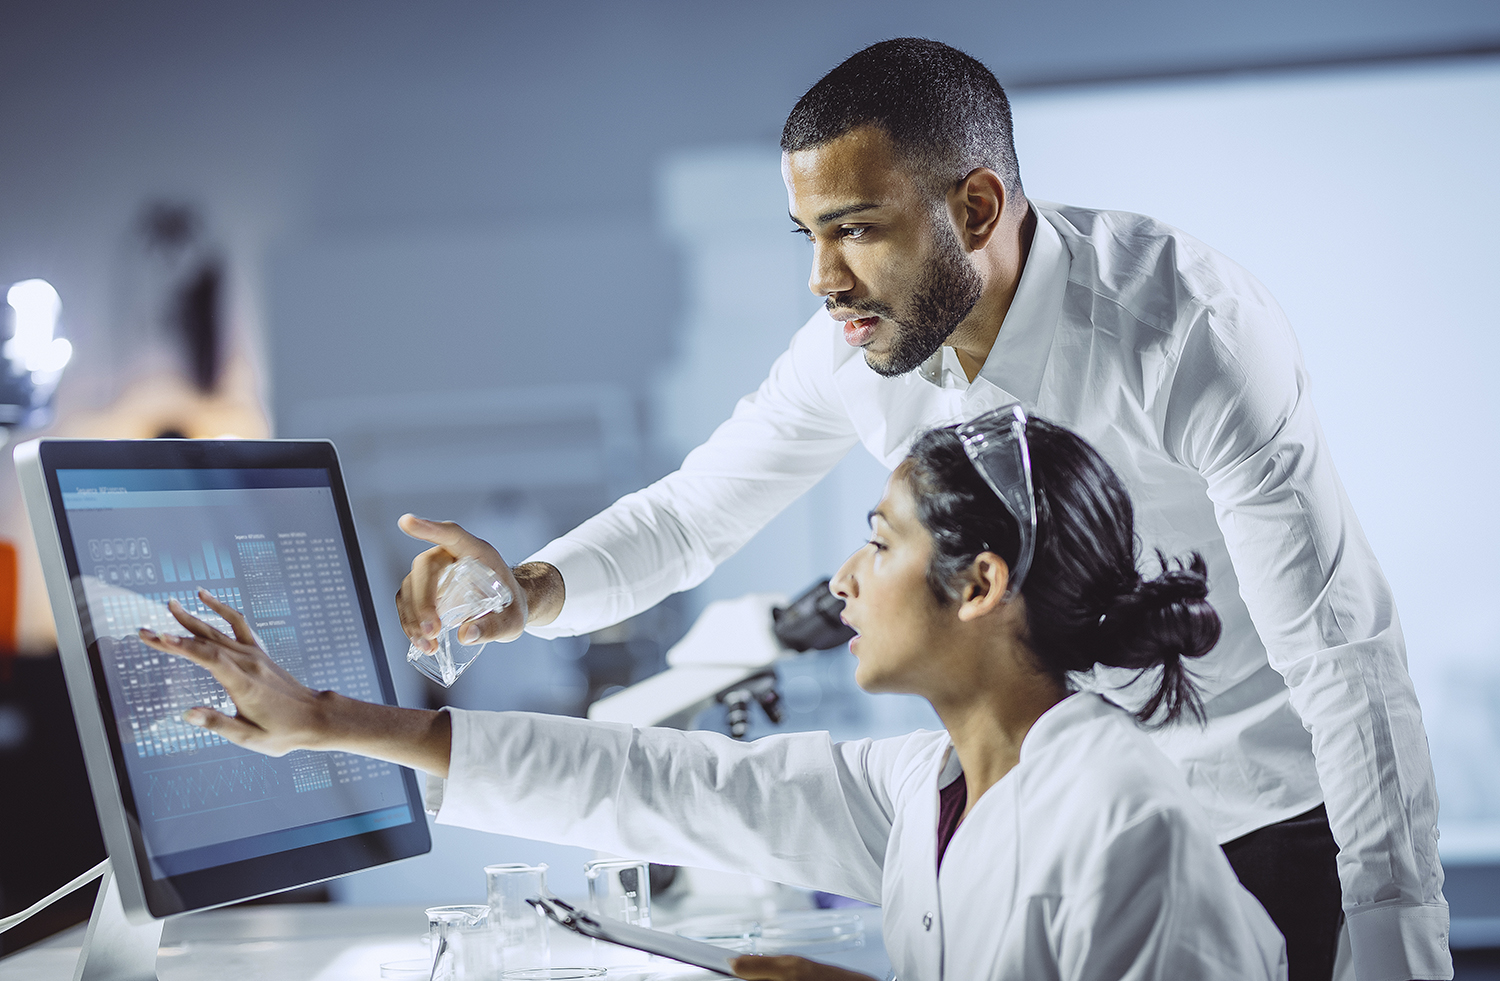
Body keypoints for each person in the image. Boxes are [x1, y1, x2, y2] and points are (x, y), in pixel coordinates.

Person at [395, 39, 1448, 981]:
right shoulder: (858, 349)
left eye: (855, 230)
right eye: (807, 234)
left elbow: (1337, 646)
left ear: (977, 209)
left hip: (1247, 816)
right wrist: (528, 590)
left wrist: (1400, 934)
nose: (822, 279)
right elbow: (692, 514)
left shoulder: (1185, 330)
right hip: (1030, 815)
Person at [141, 409, 1288, 980]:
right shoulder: (933, 787)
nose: (842, 580)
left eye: (877, 545)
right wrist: (332, 722)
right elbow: (663, 780)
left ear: (980, 584)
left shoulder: (1122, 820)